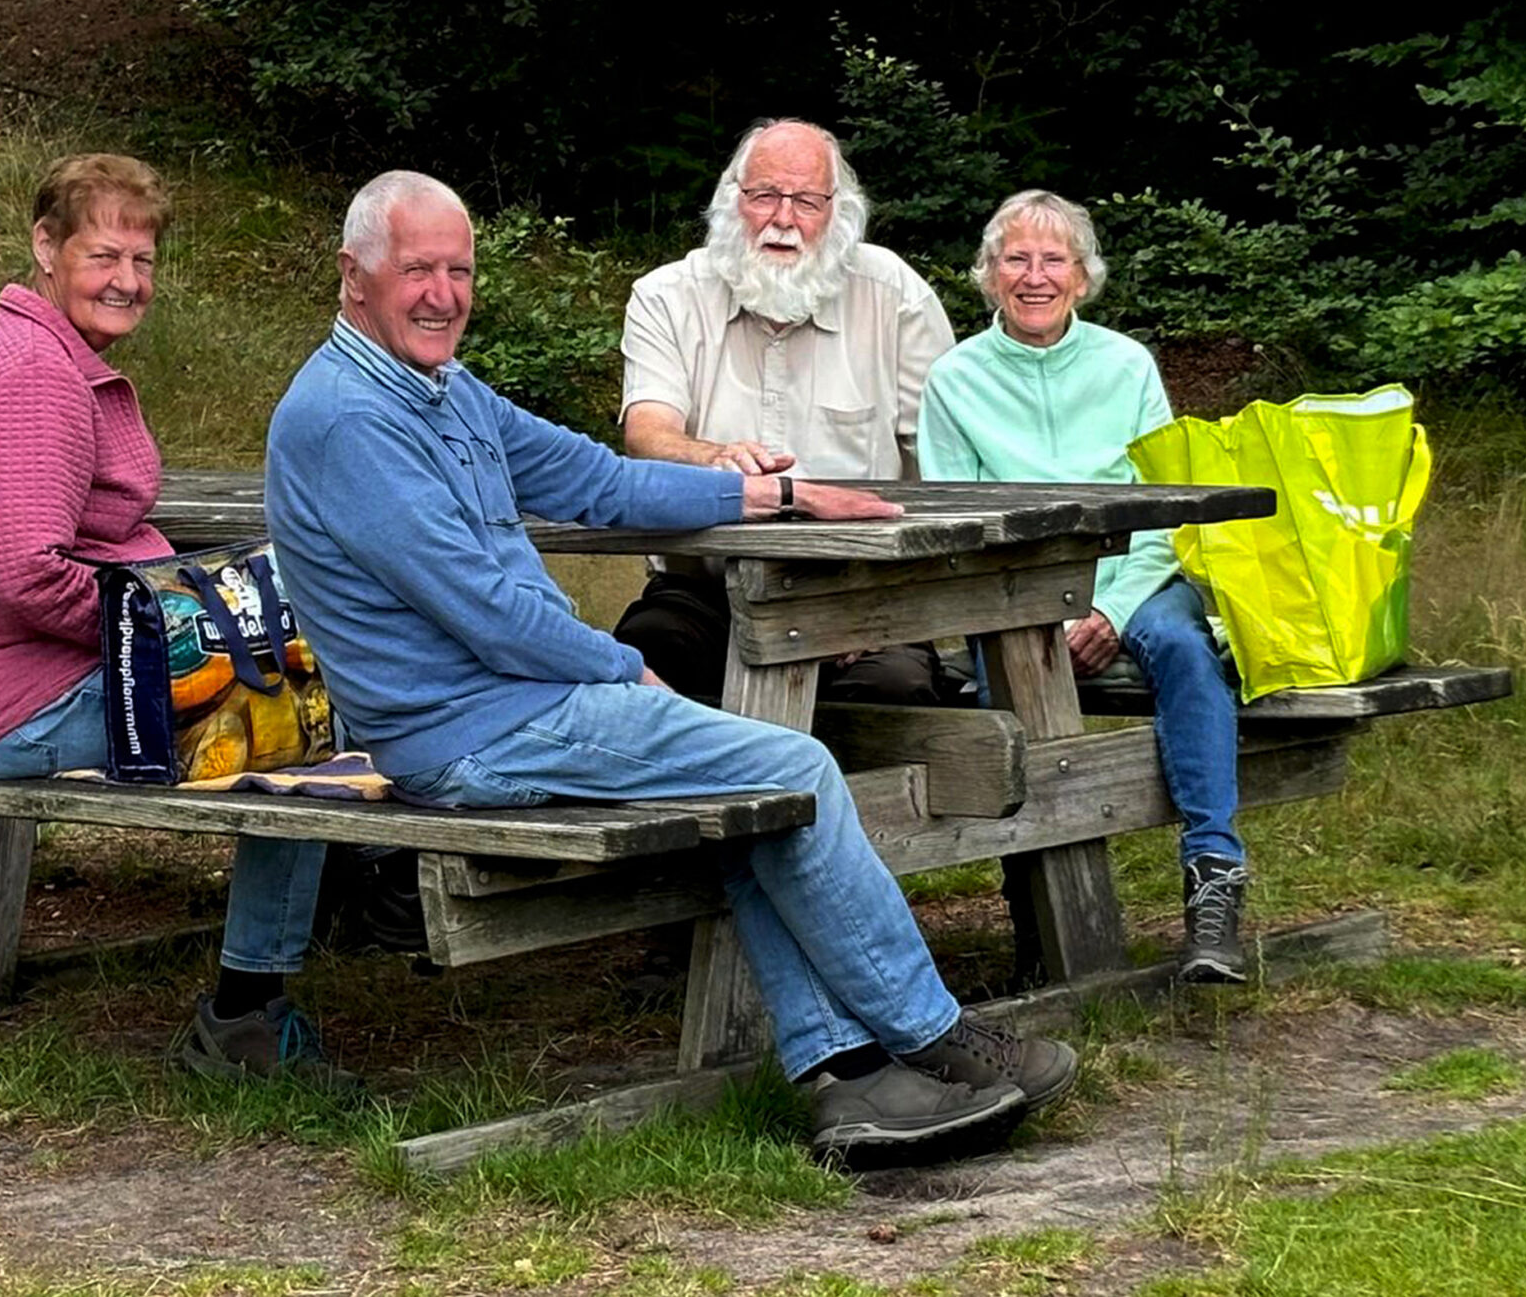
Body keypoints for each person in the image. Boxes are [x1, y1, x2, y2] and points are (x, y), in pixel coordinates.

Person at [260, 170, 1079, 1162]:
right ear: (355, 276)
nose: (442, 292)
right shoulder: (346, 415)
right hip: (470, 732)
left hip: (513, 705)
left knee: (755, 803)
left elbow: (595, 478)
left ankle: (851, 1085)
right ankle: (939, 1037)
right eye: (416, 269)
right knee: (798, 770)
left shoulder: (442, 391)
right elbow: (479, 603)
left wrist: (776, 499)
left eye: (459, 269)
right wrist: (615, 666)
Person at [0, 153, 344, 1083]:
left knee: (308, 673)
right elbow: (31, 576)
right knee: (293, 723)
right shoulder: (31, 376)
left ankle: (337, 921)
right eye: (105, 254)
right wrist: (188, 634)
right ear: (44, 246)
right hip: (18, 703)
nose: (127, 281)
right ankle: (247, 1017)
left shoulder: (51, 356)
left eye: (143, 261)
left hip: (38, 677)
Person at [916, 189, 1251, 984]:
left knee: (1183, 643)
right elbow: (954, 528)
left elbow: (1171, 508)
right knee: (1004, 686)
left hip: (1133, 575)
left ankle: (1213, 880)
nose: (1035, 276)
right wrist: (1040, 612)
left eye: (1053, 259)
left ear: (1084, 275)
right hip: (1011, 595)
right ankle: (1038, 906)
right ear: (990, 274)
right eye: (1016, 259)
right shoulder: (954, 377)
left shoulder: (1126, 363)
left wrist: (1109, 608)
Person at [615, 120, 955, 703]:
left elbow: (943, 466)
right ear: (732, 201)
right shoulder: (666, 296)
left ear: (838, 213)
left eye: (807, 201)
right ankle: (694, 798)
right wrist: (713, 455)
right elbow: (647, 433)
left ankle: (850, 799)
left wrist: (880, 607)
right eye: (765, 195)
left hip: (862, 594)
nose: (784, 219)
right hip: (705, 595)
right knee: (641, 662)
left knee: (894, 690)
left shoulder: (894, 294)